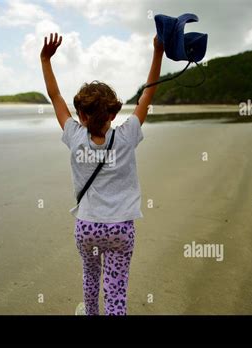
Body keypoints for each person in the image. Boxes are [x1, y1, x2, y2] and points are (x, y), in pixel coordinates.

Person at [40, 33, 163, 315]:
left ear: (81, 116)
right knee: (116, 288)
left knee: (91, 277)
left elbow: (54, 96)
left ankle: (90, 313)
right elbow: (148, 92)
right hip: (121, 227)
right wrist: (157, 51)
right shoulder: (128, 134)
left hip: (87, 227)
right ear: (113, 114)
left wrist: (45, 59)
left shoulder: (74, 135)